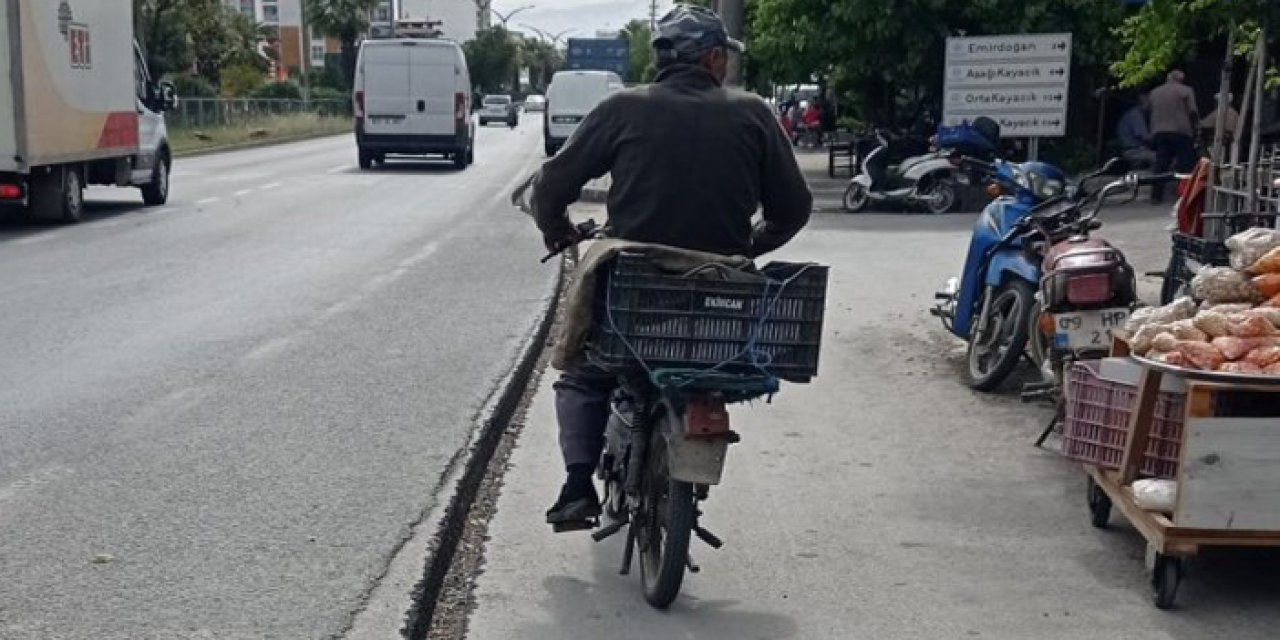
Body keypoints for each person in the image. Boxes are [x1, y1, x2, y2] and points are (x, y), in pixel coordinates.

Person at [529, 3, 812, 529]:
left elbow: (552, 184)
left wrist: (556, 228)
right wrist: (747, 248)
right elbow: (793, 209)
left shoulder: (622, 109)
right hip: (720, 297)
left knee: (584, 374)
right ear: (712, 59)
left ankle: (576, 486)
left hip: (634, 291)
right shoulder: (752, 113)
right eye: (724, 56)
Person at [1147, 70, 1200, 204]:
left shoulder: (1155, 92)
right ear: (1181, 79)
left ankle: (1156, 196)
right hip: (1181, 131)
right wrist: (1196, 127)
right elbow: (1193, 111)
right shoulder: (1186, 90)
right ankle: (1183, 195)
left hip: (1159, 131)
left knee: (1161, 163)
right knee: (1185, 163)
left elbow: (1149, 110)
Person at [1117, 91, 1156, 169]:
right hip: (1133, 151)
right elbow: (1145, 137)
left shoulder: (1134, 113)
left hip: (1134, 149)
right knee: (1162, 159)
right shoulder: (1136, 115)